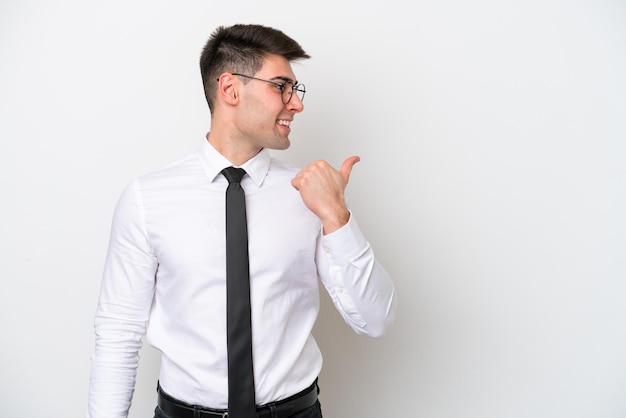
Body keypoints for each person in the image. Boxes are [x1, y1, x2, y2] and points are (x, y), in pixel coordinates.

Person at [88, 23, 396, 418]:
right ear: (230, 89)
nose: (296, 103)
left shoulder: (310, 195)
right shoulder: (148, 198)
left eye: (295, 90)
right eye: (280, 86)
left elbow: (376, 320)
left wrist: (337, 215)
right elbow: (118, 333)